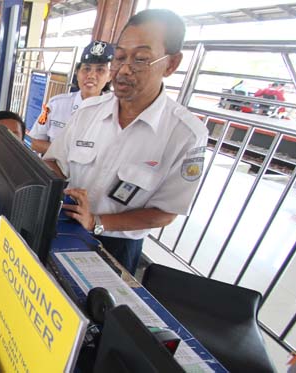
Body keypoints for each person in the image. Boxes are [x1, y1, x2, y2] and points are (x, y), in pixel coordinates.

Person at [43, 9, 208, 275]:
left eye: (141, 59)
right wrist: (50, 186)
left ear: (171, 64)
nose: (124, 70)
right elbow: (54, 162)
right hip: (64, 226)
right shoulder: (87, 112)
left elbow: (165, 213)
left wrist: (97, 222)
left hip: (118, 246)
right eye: (119, 57)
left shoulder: (185, 135)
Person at [28, 40, 113, 155]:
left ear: (110, 76)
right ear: (77, 72)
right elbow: (35, 143)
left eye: (100, 70)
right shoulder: (55, 105)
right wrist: (70, 153)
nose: (92, 76)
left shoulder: (114, 113)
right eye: (86, 69)